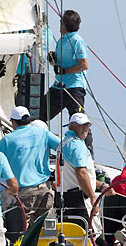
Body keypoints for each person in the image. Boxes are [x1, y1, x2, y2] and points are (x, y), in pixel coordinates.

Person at [39, 9, 93, 154]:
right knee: (40, 114)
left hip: (74, 87)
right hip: (59, 86)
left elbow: (84, 65)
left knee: (79, 122)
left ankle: (88, 155)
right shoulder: (61, 41)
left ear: (63, 24)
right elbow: (59, 63)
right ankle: (41, 147)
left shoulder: (77, 41)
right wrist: (53, 60)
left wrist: (64, 71)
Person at [0, 106, 60, 224]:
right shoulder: (43, 133)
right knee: (42, 230)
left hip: (22, 194)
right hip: (44, 190)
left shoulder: (7, 140)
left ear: (13, 122)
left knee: (19, 231)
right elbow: (62, 146)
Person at [59, 113, 111, 227]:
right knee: (88, 237)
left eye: (87, 125)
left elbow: (75, 173)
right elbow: (81, 173)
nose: (85, 129)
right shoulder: (77, 145)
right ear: (72, 126)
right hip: (79, 199)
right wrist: (93, 198)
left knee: (71, 236)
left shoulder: (64, 142)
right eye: (81, 125)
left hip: (64, 197)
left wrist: (101, 186)